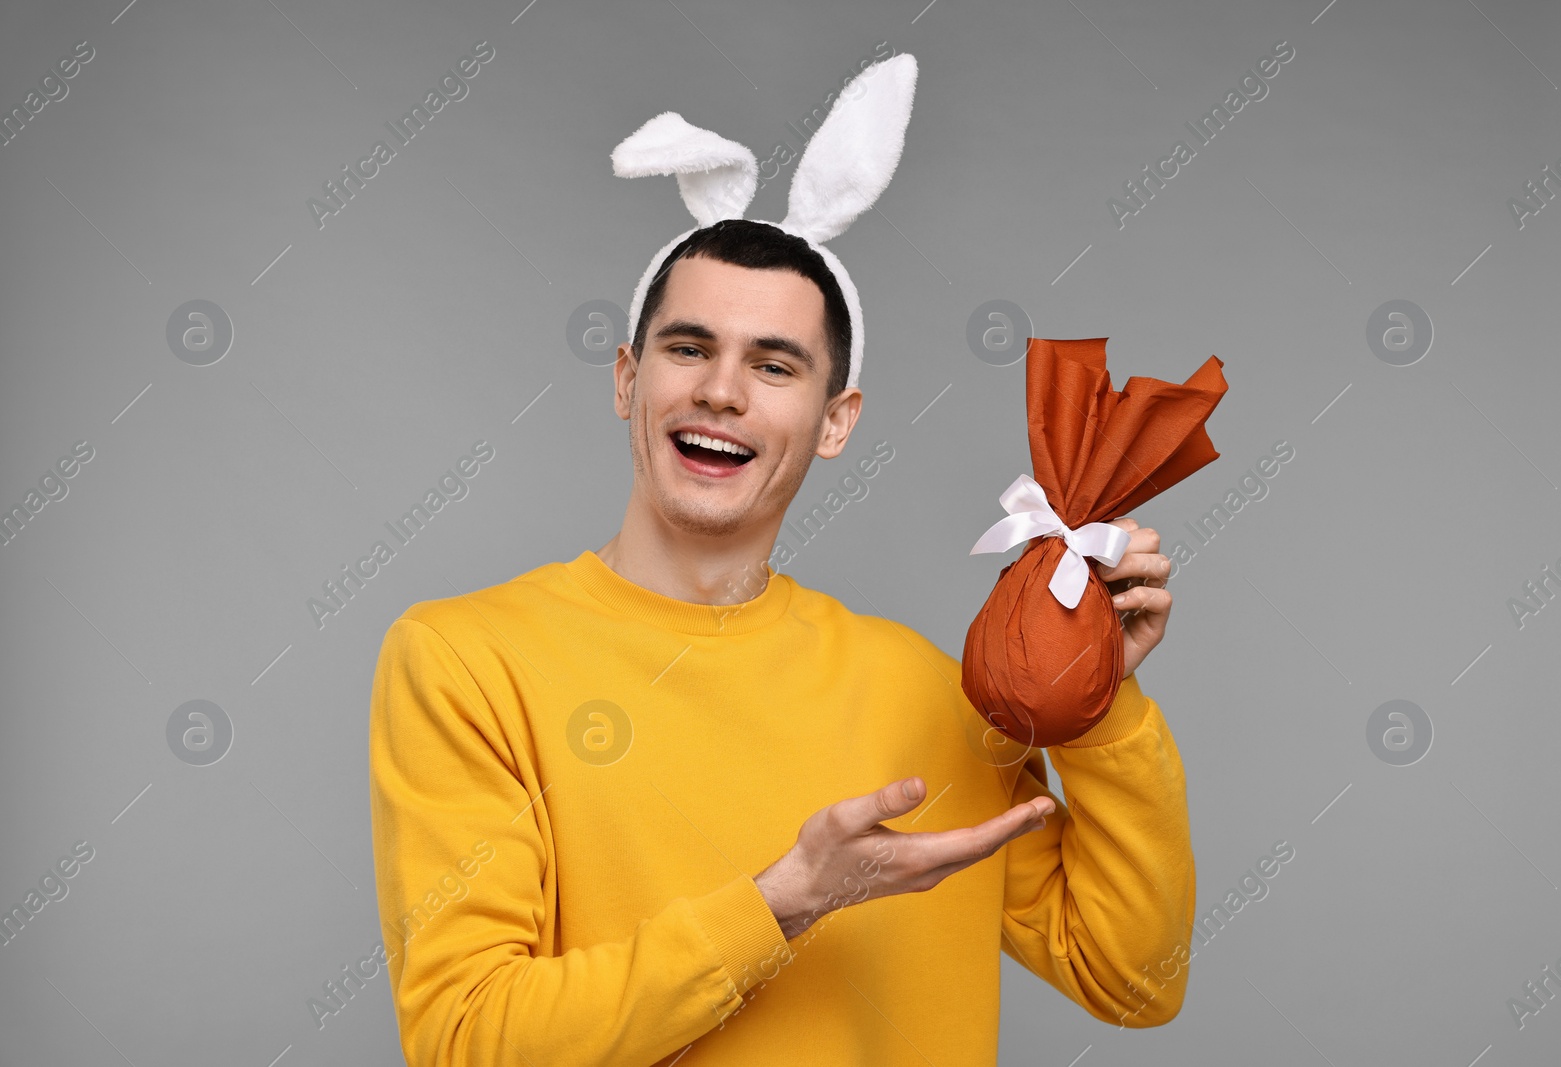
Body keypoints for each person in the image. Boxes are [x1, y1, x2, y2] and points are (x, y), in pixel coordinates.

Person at [370, 52, 1194, 1067]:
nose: (722, 390)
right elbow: (469, 1040)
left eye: (774, 364)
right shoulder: (465, 660)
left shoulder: (926, 694)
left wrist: (1093, 697)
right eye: (686, 347)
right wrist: (785, 901)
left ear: (836, 419)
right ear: (627, 378)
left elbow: (1134, 981)